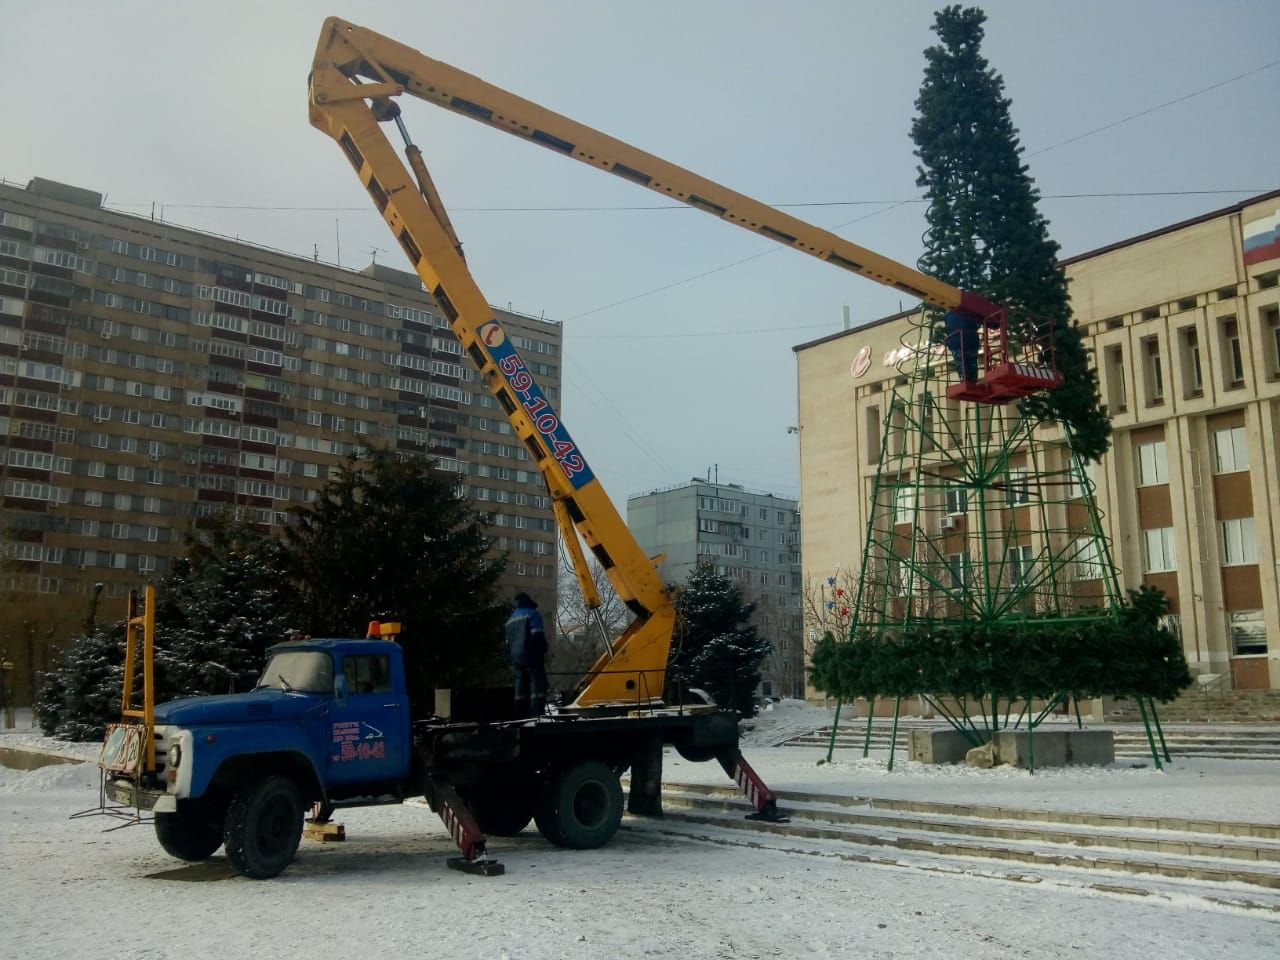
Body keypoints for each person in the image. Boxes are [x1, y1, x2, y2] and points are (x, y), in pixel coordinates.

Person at [505, 592, 548, 718]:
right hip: (532, 656)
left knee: (520, 687)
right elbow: (537, 635)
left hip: (516, 659)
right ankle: (537, 714)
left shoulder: (510, 619)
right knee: (537, 685)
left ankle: (520, 714)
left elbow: (507, 644)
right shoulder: (532, 614)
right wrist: (543, 650)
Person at [943, 308, 980, 383]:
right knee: (971, 363)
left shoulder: (948, 314)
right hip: (969, 341)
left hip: (956, 342)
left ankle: (964, 378)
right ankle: (972, 379)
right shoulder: (967, 310)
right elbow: (974, 324)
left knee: (961, 362)